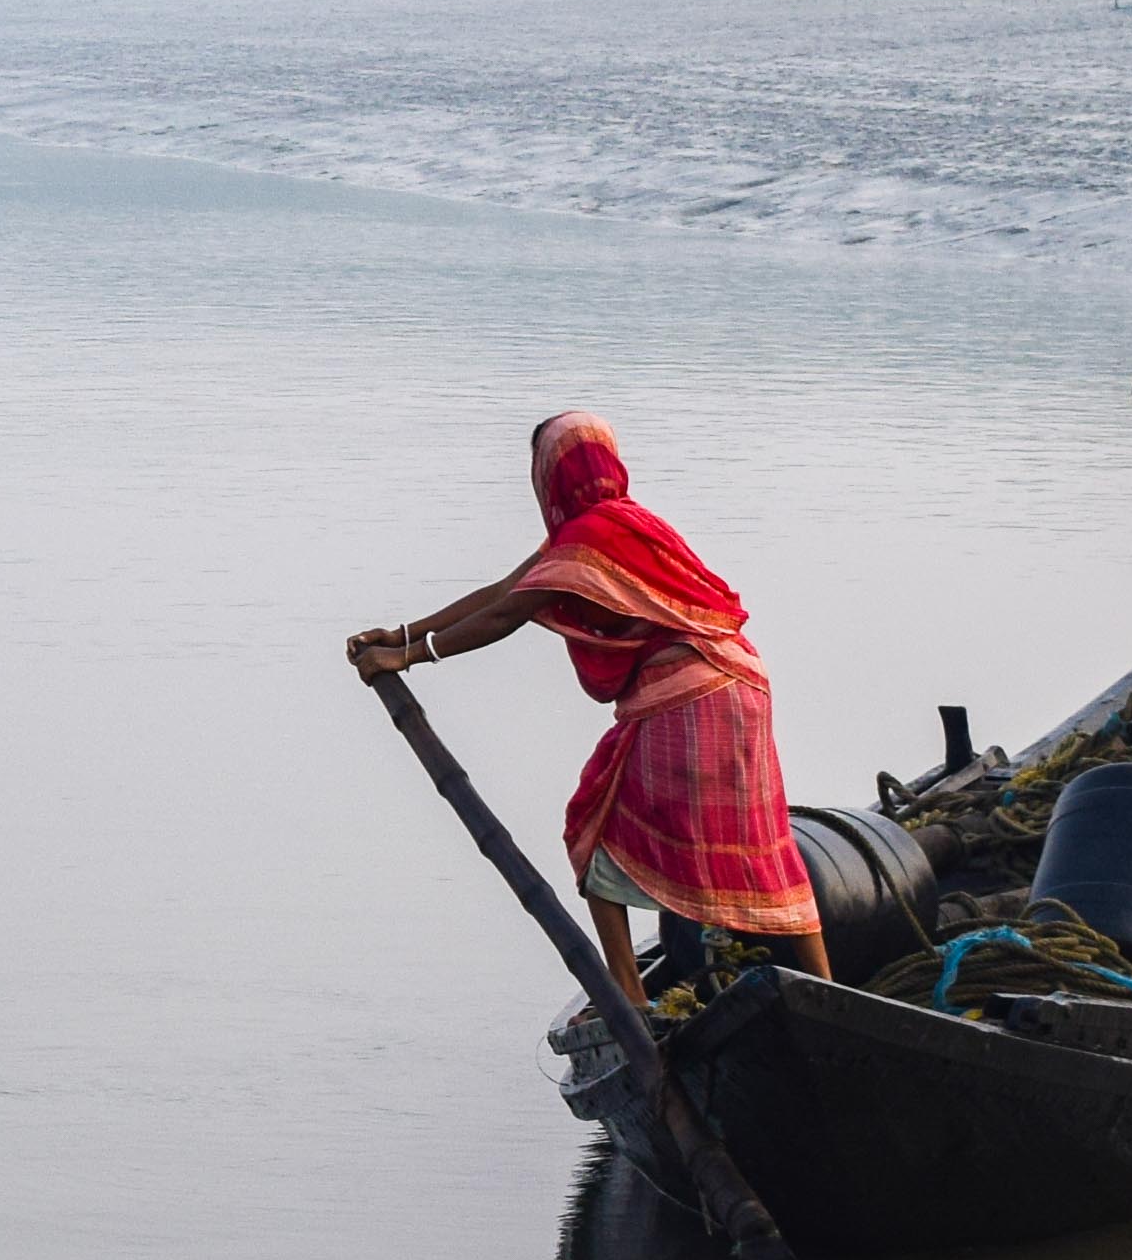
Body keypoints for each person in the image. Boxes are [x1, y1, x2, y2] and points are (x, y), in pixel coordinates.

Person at [349, 412, 823, 1005]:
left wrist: (413, 658)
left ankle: (629, 999)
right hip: (743, 682)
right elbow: (502, 592)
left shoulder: (588, 539)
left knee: (596, 832)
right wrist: (399, 635)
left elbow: (506, 614)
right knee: (763, 845)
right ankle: (827, 992)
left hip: (689, 694)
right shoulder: (623, 525)